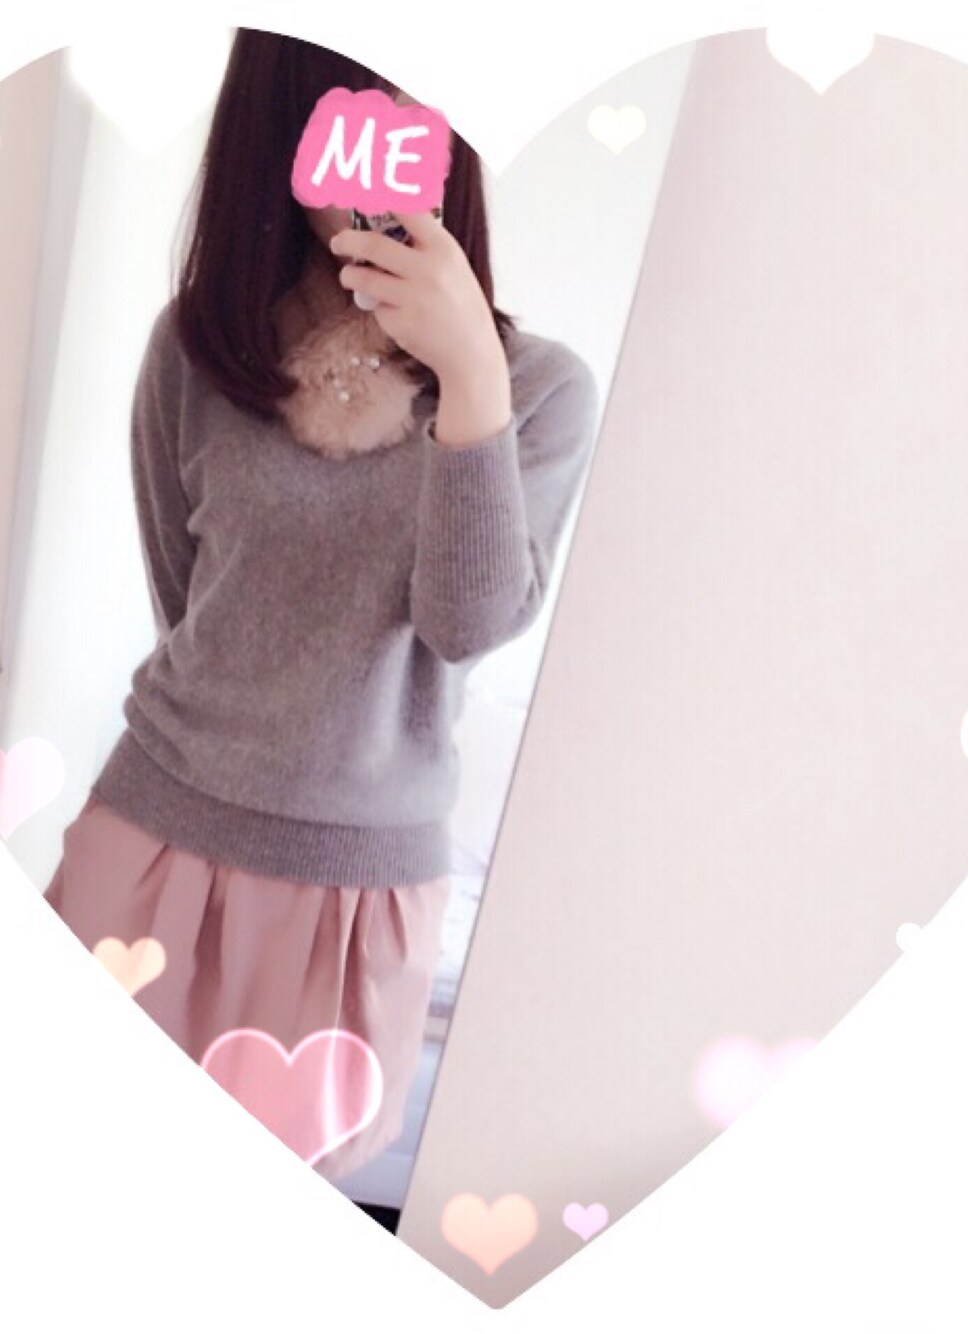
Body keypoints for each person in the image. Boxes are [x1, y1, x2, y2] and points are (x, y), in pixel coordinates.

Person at [41, 30, 600, 1183]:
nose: (380, 135)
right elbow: (188, 597)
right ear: (281, 121)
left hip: (355, 893)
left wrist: (469, 379)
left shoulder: (538, 390)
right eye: (346, 94)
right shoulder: (198, 350)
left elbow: (466, 625)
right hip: (148, 837)